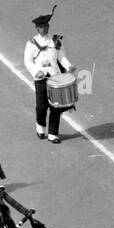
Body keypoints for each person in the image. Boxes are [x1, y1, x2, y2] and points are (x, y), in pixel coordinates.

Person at [23, 10, 71, 143]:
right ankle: (40, 126)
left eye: (46, 26)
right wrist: (35, 72)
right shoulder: (32, 43)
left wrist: (68, 66)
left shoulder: (56, 41)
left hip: (55, 78)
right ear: (37, 28)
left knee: (56, 106)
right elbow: (28, 61)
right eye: (41, 26)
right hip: (40, 78)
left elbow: (62, 58)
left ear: (48, 26)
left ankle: (53, 134)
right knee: (41, 107)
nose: (44, 28)